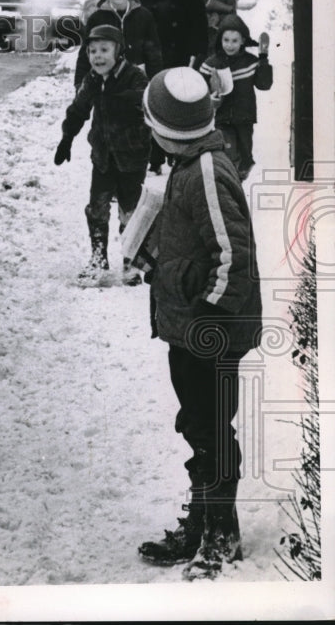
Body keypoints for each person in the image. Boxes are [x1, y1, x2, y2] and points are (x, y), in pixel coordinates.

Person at [137, 67, 262, 580]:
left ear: (168, 130)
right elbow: (195, 243)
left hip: (210, 332)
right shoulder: (188, 164)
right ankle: (205, 520)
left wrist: (209, 312)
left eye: (152, 125)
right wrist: (156, 259)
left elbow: (232, 254)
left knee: (211, 429)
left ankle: (219, 535)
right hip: (190, 329)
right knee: (198, 425)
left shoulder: (207, 170)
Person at [54, 25, 150, 285]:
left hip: (132, 156)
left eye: (104, 50)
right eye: (92, 51)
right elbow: (78, 110)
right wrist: (67, 138)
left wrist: (116, 98)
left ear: (118, 52)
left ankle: (131, 261)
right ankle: (98, 258)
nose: (98, 56)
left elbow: (144, 100)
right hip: (103, 156)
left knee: (130, 210)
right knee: (97, 208)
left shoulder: (134, 77)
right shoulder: (93, 80)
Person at [130, 0, 208, 175]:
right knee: (149, 103)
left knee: (176, 102)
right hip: (149, 55)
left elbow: (198, 22)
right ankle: (153, 157)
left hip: (178, 54)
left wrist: (198, 53)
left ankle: (176, 154)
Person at [198, 14, 273, 181]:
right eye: (226, 40)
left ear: (243, 41)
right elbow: (200, 89)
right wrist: (210, 99)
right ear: (220, 40)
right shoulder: (211, 64)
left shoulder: (250, 62)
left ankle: (242, 178)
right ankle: (230, 183)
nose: (229, 45)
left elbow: (264, 85)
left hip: (244, 117)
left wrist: (263, 60)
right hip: (222, 118)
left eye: (234, 40)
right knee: (227, 154)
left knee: (245, 156)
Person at [74, 0, 162, 88]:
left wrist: (155, 84)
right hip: (105, 83)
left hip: (137, 83)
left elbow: (154, 55)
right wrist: (79, 84)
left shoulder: (144, 16)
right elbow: (85, 54)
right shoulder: (97, 18)